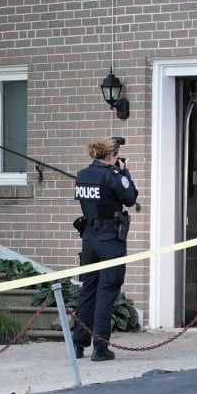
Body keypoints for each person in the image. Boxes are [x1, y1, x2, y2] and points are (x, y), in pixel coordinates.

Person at [72, 136, 138, 361]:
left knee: (88, 289)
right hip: (109, 239)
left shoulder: (82, 175)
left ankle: (78, 344)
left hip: (89, 238)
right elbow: (130, 198)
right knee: (107, 290)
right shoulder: (112, 176)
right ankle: (100, 348)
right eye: (116, 156)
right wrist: (125, 173)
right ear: (112, 156)